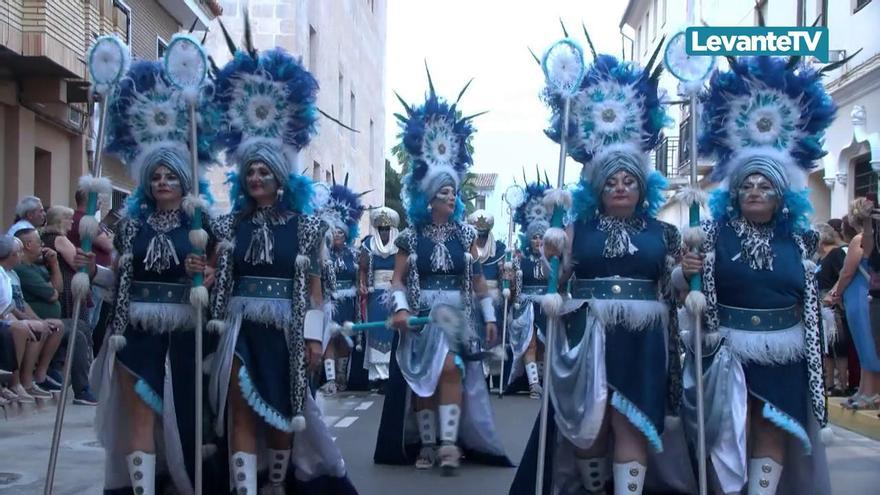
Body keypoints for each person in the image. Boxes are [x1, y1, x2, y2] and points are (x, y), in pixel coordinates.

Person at [511, 51, 685, 495]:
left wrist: (690, 273)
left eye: (629, 180)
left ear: (642, 187)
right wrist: (555, 259)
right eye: (611, 181)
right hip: (585, 338)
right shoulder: (574, 229)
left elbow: (675, 292)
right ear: (598, 188)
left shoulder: (664, 233)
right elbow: (561, 280)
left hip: (643, 341)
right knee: (590, 425)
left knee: (631, 423)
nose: (621, 187)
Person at [207, 41, 357, 494]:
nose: (256, 179)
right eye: (250, 172)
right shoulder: (228, 225)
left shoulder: (307, 228)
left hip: (287, 334)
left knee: (282, 413)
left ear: (280, 177)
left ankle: (274, 486)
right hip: (239, 331)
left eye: (264, 172)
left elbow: (317, 290)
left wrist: (314, 338)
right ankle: (245, 489)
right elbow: (210, 271)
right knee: (239, 408)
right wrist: (205, 271)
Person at [679, 55, 834, 494]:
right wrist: (683, 274)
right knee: (729, 434)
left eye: (765, 186)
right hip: (725, 352)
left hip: (784, 355)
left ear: (782, 197)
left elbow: (810, 304)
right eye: (746, 186)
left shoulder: (800, 240)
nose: (754, 192)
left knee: (771, 432)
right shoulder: (708, 234)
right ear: (734, 195)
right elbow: (683, 292)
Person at [88, 57, 220, 494]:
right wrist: (91, 275)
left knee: (184, 412)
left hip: (185, 333)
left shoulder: (201, 227)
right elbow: (120, 278)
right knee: (140, 413)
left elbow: (222, 273)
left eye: (171, 176)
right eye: (156, 177)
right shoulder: (130, 225)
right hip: (136, 331)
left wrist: (208, 274)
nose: (163, 182)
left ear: (185, 182)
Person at [373, 73, 511, 474]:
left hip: (455, 315)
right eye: (443, 192)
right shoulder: (408, 237)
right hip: (420, 319)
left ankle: (450, 444)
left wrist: (488, 318)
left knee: (452, 368)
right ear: (428, 197)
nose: (451, 198)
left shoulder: (467, 233)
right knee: (422, 382)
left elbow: (478, 280)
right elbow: (398, 280)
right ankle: (429, 443)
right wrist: (399, 310)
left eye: (454, 192)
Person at [14, 228, 95, 405]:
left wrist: (55, 264)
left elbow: (57, 290)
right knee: (77, 335)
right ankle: (79, 389)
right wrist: (38, 319)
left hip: (46, 320)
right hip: (35, 321)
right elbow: (51, 294)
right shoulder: (21, 270)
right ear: (28, 245)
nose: (43, 246)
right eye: (39, 242)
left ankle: (65, 375)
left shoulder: (37, 267)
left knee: (81, 326)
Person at [827, 199, 880, 410]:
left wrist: (835, 293)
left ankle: (871, 391)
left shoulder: (859, 239)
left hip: (860, 294)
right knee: (862, 343)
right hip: (857, 295)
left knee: (867, 342)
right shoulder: (864, 238)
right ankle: (864, 389)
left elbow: (847, 272)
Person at [318, 178, 369, 394]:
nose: (337, 235)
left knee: (345, 339)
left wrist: (362, 287)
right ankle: (329, 379)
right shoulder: (322, 253)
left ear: (347, 234)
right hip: (329, 300)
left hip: (348, 301)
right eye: (334, 232)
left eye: (341, 232)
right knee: (328, 336)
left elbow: (362, 276)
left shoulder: (355, 254)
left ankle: (341, 379)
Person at [0, 234, 63, 402]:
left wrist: (36, 320)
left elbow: (18, 303)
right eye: (18, 252)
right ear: (10, 255)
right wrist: (23, 321)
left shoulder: (11, 274)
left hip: (9, 316)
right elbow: (6, 308)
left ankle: (34, 378)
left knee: (53, 326)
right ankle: (14, 382)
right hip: (5, 319)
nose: (21, 256)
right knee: (22, 329)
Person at [505, 176, 550, 399]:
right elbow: (513, 289)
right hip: (525, 309)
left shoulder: (553, 261)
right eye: (535, 237)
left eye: (542, 237)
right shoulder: (519, 260)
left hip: (546, 307)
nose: (538, 241)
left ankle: (541, 380)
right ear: (529, 240)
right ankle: (534, 384)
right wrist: (509, 280)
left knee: (544, 346)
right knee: (529, 344)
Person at [358, 206, 400, 390]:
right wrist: (362, 284)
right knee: (376, 331)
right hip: (375, 295)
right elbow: (363, 269)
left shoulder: (400, 246)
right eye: (381, 229)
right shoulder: (368, 246)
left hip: (394, 294)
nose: (384, 232)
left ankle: (390, 375)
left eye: (387, 229)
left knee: (392, 332)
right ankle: (376, 375)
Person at [466, 209, 509, 384]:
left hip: (494, 300)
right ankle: (478, 374)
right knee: (475, 335)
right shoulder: (466, 247)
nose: (481, 239)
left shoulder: (499, 249)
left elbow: (504, 279)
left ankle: (495, 374)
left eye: (484, 235)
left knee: (493, 336)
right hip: (472, 299)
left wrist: (507, 279)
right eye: (478, 235)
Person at [814, 223, 850, 396]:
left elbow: (843, 274)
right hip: (821, 304)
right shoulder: (820, 257)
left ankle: (842, 383)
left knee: (838, 344)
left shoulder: (835, 253)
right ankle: (829, 383)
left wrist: (834, 294)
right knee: (827, 346)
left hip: (833, 305)